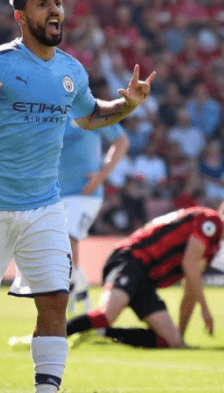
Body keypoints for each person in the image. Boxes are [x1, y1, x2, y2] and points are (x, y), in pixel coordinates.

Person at [0, 0, 155, 393]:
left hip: (44, 204)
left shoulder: (71, 70)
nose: (55, 10)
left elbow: (91, 116)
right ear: (21, 16)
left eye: (57, 2)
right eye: (43, 4)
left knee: (54, 300)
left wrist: (127, 105)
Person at [63, 197, 224, 348]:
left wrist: (180, 340)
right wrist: (205, 308)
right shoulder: (211, 221)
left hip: (145, 279)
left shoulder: (213, 247)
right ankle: (50, 334)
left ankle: (102, 334)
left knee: (170, 341)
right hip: (131, 259)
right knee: (107, 314)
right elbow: (189, 264)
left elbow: (190, 289)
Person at [59, 118, 130, 315]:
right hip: (54, 194)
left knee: (67, 236)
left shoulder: (89, 109)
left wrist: (101, 175)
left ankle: (75, 301)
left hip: (85, 195)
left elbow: (121, 141)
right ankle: (83, 300)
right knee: (57, 248)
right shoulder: (49, 106)